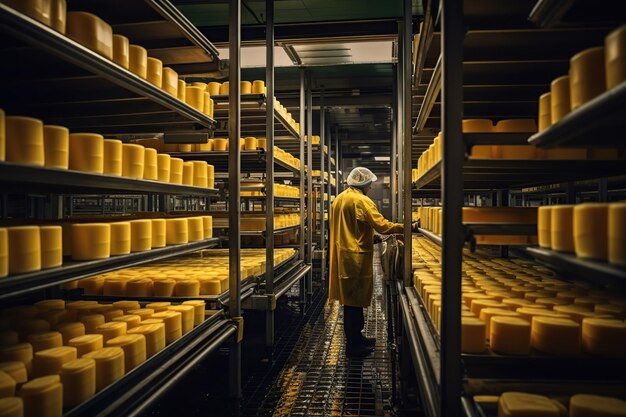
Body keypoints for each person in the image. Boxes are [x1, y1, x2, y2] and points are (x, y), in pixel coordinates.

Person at [329, 167, 404, 357]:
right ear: (364, 183)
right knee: (354, 303)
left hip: (342, 254)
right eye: (369, 185)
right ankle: (353, 346)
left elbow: (350, 228)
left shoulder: (339, 199)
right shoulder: (362, 201)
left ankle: (357, 338)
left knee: (350, 301)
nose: (370, 188)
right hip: (355, 257)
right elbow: (383, 226)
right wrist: (407, 227)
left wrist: (371, 238)